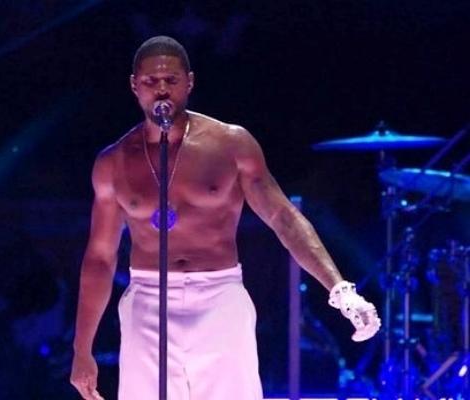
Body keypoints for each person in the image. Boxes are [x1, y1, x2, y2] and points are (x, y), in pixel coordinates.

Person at [69, 35, 380, 400]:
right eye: (151, 81)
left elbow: (282, 216)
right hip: (148, 301)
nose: (162, 90)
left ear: (189, 83)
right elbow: (100, 257)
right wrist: (82, 349)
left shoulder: (231, 144)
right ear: (134, 85)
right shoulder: (114, 162)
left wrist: (340, 290)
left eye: (171, 80)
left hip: (218, 297)